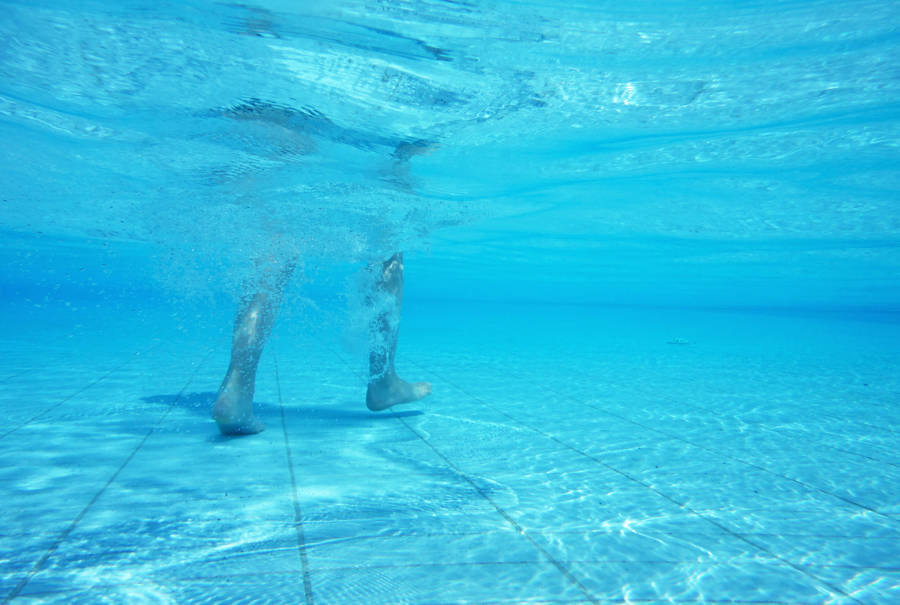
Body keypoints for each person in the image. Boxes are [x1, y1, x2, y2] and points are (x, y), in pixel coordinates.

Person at [210, 101, 433, 435]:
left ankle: (237, 387)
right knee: (387, 238)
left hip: (283, 104)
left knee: (276, 241)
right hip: (362, 114)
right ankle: (383, 381)